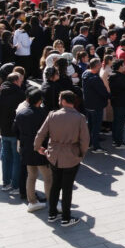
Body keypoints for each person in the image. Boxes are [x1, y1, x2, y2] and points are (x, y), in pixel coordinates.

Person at [35, 91, 90, 227]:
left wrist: (37, 147)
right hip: (71, 155)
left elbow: (41, 133)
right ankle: (66, 217)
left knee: (55, 185)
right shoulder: (79, 118)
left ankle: (52, 214)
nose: (59, 100)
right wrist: (82, 154)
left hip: (54, 155)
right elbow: (85, 140)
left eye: (60, 98)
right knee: (67, 187)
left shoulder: (52, 115)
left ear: (64, 100)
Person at [14, 88, 51, 214]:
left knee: (31, 176)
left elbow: (16, 131)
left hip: (27, 149)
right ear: (39, 101)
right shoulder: (43, 114)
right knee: (48, 177)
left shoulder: (21, 113)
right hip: (41, 149)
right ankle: (52, 201)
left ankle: (32, 202)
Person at [0, 72, 27, 193]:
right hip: (15, 131)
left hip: (4, 130)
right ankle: (15, 185)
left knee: (6, 158)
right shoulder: (19, 94)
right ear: (16, 81)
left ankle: (5, 183)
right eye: (21, 80)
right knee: (16, 158)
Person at [81, 58, 109, 153]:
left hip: (88, 105)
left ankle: (89, 143)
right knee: (96, 127)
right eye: (100, 65)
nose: (101, 66)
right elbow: (103, 92)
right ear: (96, 67)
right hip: (96, 106)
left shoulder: (85, 74)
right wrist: (109, 96)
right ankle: (96, 147)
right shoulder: (95, 79)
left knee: (90, 125)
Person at [108, 58, 125, 148]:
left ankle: (116, 140)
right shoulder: (122, 77)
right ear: (119, 67)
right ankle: (119, 142)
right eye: (124, 65)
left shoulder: (111, 76)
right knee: (120, 123)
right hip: (123, 102)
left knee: (116, 122)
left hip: (116, 102)